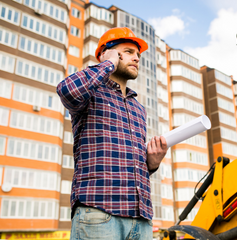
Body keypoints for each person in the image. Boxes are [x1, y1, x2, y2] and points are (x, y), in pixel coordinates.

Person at [56, 27, 168, 240]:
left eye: (138, 54)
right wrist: (107, 64)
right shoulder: (91, 92)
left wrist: (151, 164)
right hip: (99, 213)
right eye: (128, 51)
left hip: (141, 220)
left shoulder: (138, 109)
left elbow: (132, 166)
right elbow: (67, 90)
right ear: (106, 54)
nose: (136, 58)